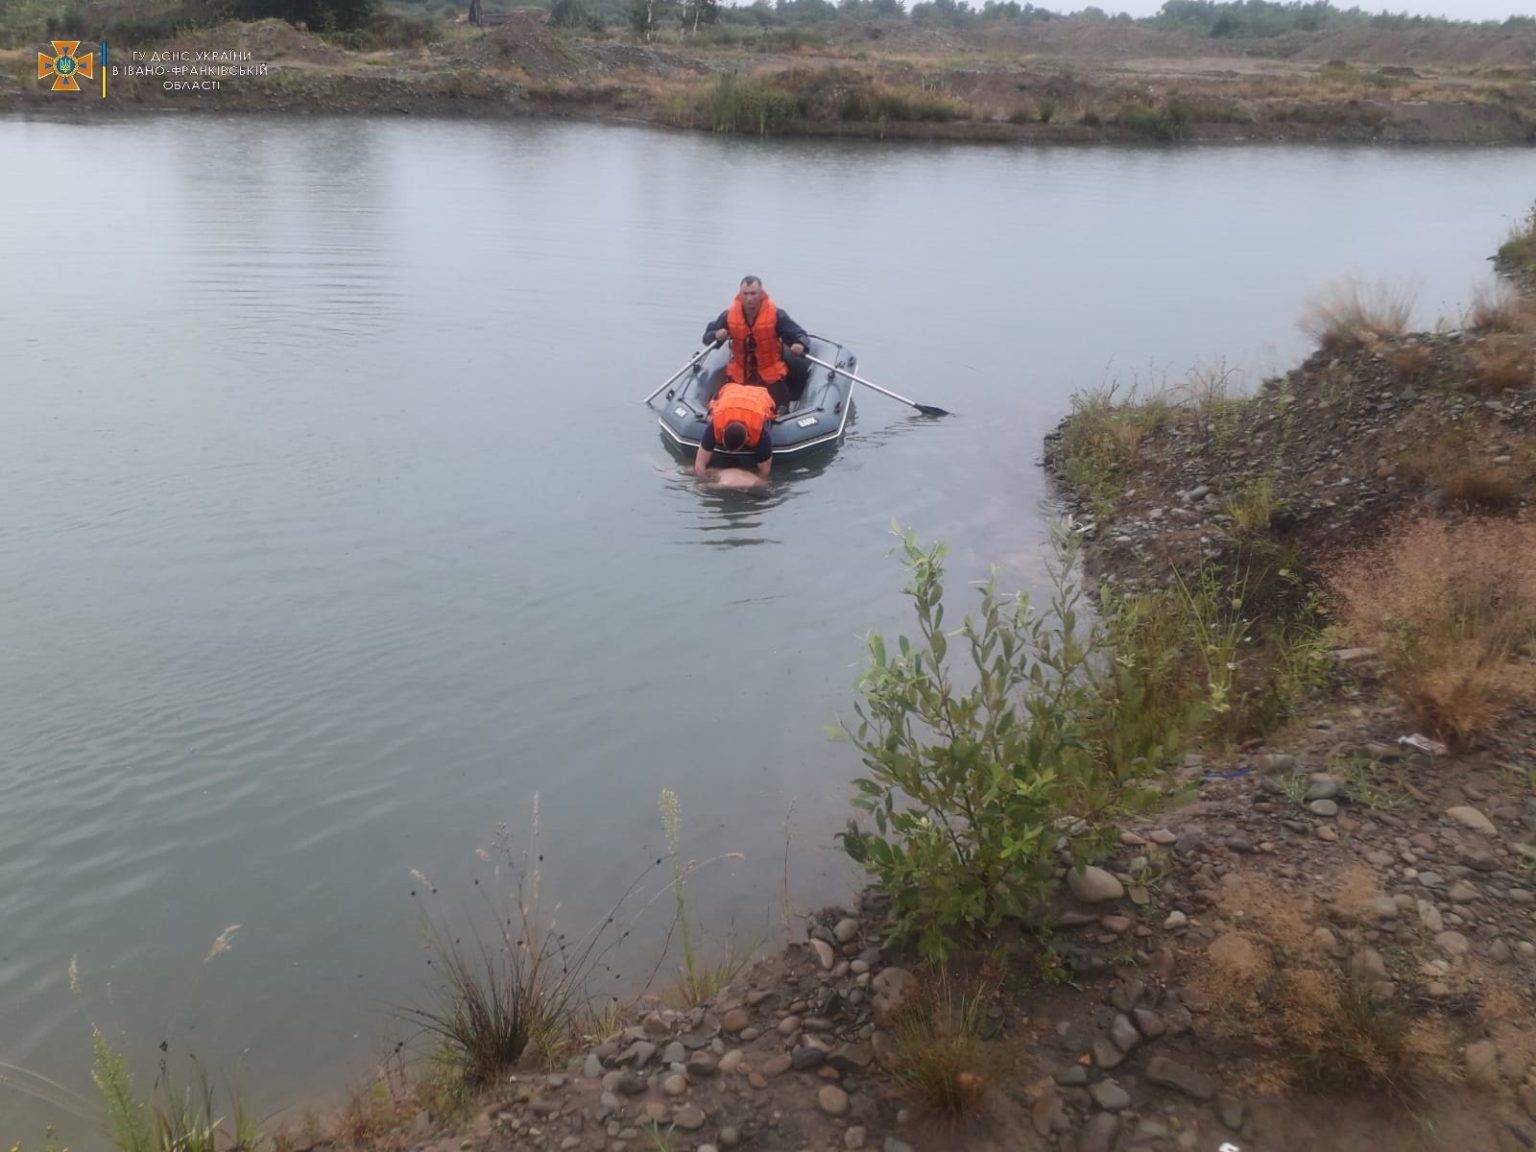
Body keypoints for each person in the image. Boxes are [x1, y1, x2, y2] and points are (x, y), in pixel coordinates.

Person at [702, 276, 811, 407]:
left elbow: (800, 334)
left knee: (781, 408)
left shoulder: (777, 315)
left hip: (770, 376)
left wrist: (799, 344)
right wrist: (716, 335)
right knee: (727, 407)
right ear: (740, 294)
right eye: (745, 294)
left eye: (753, 293)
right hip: (739, 376)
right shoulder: (728, 316)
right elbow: (706, 338)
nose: (749, 298)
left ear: (761, 294)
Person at [694, 380, 776, 486]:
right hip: (731, 392)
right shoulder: (716, 424)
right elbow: (699, 465)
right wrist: (704, 484)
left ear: (747, 439)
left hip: (759, 396)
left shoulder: (761, 434)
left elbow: (765, 472)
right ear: (722, 432)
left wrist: (753, 486)